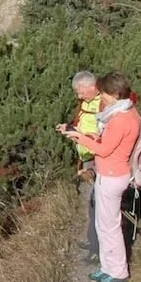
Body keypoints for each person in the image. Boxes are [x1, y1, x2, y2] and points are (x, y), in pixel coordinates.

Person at [65, 71, 141, 282]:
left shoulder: (119, 119)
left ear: (114, 94)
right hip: (111, 174)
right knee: (104, 224)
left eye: (105, 93)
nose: (102, 97)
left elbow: (105, 149)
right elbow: (107, 142)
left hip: (112, 175)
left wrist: (79, 137)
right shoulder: (127, 113)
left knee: (110, 226)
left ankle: (118, 273)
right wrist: (86, 135)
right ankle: (108, 268)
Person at [56, 71, 101, 261]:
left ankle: (98, 250)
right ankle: (94, 241)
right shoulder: (87, 103)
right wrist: (70, 128)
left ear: (90, 86)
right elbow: (85, 128)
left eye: (80, 92)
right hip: (90, 156)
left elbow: (101, 134)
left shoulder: (103, 103)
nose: (78, 96)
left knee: (98, 204)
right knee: (93, 203)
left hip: (100, 157)